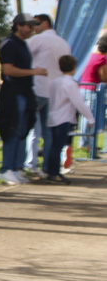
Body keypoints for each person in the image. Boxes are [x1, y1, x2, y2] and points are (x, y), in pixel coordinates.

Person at [0, 14, 48, 185]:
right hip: (13, 93)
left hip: (25, 92)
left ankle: (16, 167)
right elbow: (8, 70)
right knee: (12, 130)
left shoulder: (23, 44)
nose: (32, 29)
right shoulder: (9, 45)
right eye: (29, 25)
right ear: (18, 26)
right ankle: (6, 169)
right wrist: (34, 72)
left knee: (22, 131)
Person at [24, 14, 69, 174]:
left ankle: (31, 165)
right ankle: (47, 167)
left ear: (45, 23)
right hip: (55, 92)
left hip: (38, 88)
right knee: (48, 131)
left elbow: (23, 55)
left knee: (33, 130)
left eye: (35, 23)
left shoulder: (38, 40)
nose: (32, 27)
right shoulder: (64, 43)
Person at [45, 54, 95, 184]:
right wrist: (90, 118)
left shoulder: (54, 82)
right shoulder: (70, 84)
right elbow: (79, 103)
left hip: (51, 118)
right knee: (58, 146)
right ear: (74, 67)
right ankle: (54, 173)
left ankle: (51, 171)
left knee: (53, 146)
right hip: (63, 118)